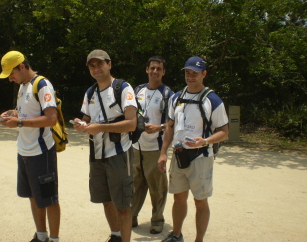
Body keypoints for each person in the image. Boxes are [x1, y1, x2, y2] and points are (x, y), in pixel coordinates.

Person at [158, 56, 229, 242]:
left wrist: (204, 141)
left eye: (195, 73)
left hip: (201, 157)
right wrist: (163, 153)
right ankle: (176, 235)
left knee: (200, 202)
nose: (190, 76)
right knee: (178, 199)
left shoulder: (213, 100)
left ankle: (199, 240)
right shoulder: (176, 97)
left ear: (204, 74)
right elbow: (170, 127)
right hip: (179, 155)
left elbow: (224, 132)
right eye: (187, 72)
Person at [72, 49, 137, 242]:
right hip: (97, 153)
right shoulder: (90, 92)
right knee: (106, 200)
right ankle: (115, 236)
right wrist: (80, 124)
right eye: (92, 65)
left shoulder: (123, 88)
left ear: (109, 64)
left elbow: (132, 123)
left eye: (99, 64)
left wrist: (100, 127)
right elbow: (86, 117)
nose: (96, 68)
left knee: (123, 205)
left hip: (119, 153)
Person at [0, 51, 60, 242]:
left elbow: (51, 118)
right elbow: (30, 111)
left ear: (22, 67)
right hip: (24, 151)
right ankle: (41, 236)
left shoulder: (42, 85)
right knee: (33, 196)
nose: (10, 78)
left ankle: (55, 239)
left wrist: (19, 123)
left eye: (12, 73)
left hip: (41, 152)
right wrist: (14, 113)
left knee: (49, 199)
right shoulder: (23, 86)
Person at [131, 56, 174, 234]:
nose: (155, 71)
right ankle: (131, 216)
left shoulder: (168, 95)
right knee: (134, 185)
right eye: (152, 68)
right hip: (136, 148)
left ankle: (157, 220)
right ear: (146, 70)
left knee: (157, 189)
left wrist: (159, 127)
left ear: (163, 72)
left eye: (159, 69)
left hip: (155, 149)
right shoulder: (138, 90)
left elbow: (173, 123)